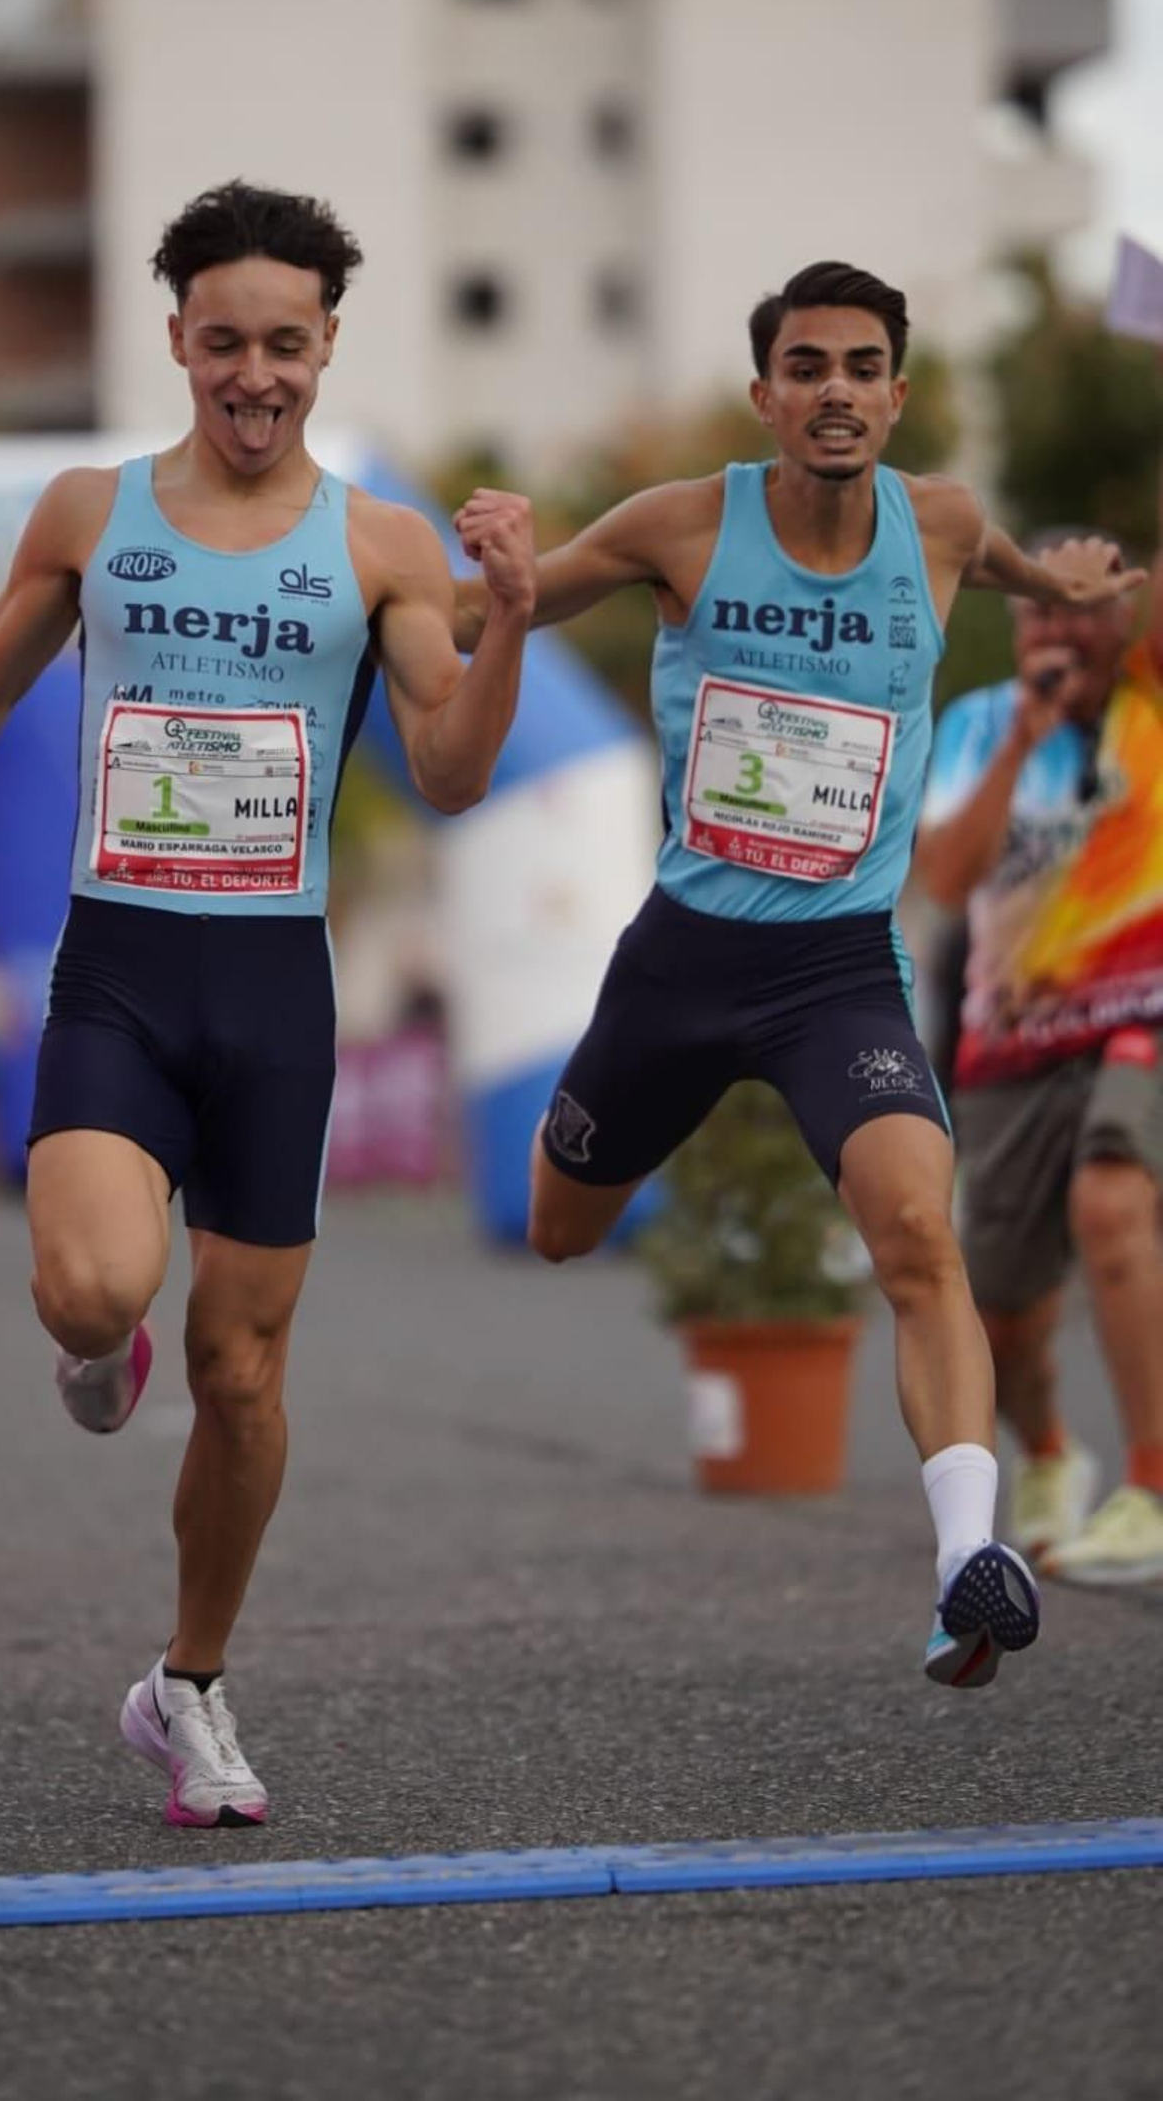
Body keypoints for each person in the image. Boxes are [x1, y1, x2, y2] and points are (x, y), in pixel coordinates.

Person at [0, 180, 536, 1824]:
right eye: (222, 343)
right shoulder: (87, 514)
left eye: (285, 344)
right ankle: (90, 1344)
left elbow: (457, 774)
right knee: (88, 1291)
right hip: (122, 968)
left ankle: (186, 1685)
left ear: (327, 345)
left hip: (276, 989)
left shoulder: (383, 548)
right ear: (177, 340)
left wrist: (518, 621)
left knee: (247, 1376)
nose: (253, 374)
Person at [454, 259, 1143, 1689]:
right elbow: (485, 616)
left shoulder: (939, 523)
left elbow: (1023, 566)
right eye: (809, 366)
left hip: (840, 966)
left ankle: (969, 1554)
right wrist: (491, 583)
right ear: (766, 393)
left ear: (896, 394)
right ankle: (588, 1143)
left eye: (864, 366)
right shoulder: (682, 523)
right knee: (559, 1224)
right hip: (685, 961)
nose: (838, 389)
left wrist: (1070, 579)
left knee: (917, 1234)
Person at [914, 527, 1163, 1584]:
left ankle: (1150, 1488)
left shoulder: (1151, 706)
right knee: (1005, 1312)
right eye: (1041, 606)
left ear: (1124, 614)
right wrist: (1022, 735)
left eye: (1083, 602)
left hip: (1138, 1012)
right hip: (1011, 1040)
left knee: (1110, 1204)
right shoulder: (977, 726)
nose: (1060, 624)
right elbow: (943, 879)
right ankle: (1051, 1453)